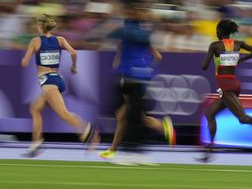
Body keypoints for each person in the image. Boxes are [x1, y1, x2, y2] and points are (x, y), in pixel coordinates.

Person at [99, 10, 175, 161]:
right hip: (141, 78)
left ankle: (163, 126)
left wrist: (119, 68)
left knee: (132, 116)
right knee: (122, 115)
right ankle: (112, 149)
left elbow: (117, 61)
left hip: (129, 79)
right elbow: (158, 57)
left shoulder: (124, 41)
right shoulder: (142, 40)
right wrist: (148, 69)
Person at [20, 14, 97, 156]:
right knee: (35, 108)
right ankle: (36, 142)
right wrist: (73, 67)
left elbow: (24, 62)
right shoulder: (60, 40)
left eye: (37, 24)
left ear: (41, 26)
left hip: (47, 82)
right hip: (58, 79)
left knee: (63, 114)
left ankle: (88, 130)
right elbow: (73, 52)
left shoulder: (35, 41)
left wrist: (27, 58)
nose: (36, 26)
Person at [199, 19, 252, 162]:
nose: (216, 33)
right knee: (210, 113)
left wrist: (213, 58)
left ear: (221, 32)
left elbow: (204, 66)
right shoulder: (238, 44)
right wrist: (241, 59)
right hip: (231, 83)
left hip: (224, 85)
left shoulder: (215, 45)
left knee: (242, 118)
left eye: (217, 30)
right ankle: (210, 149)